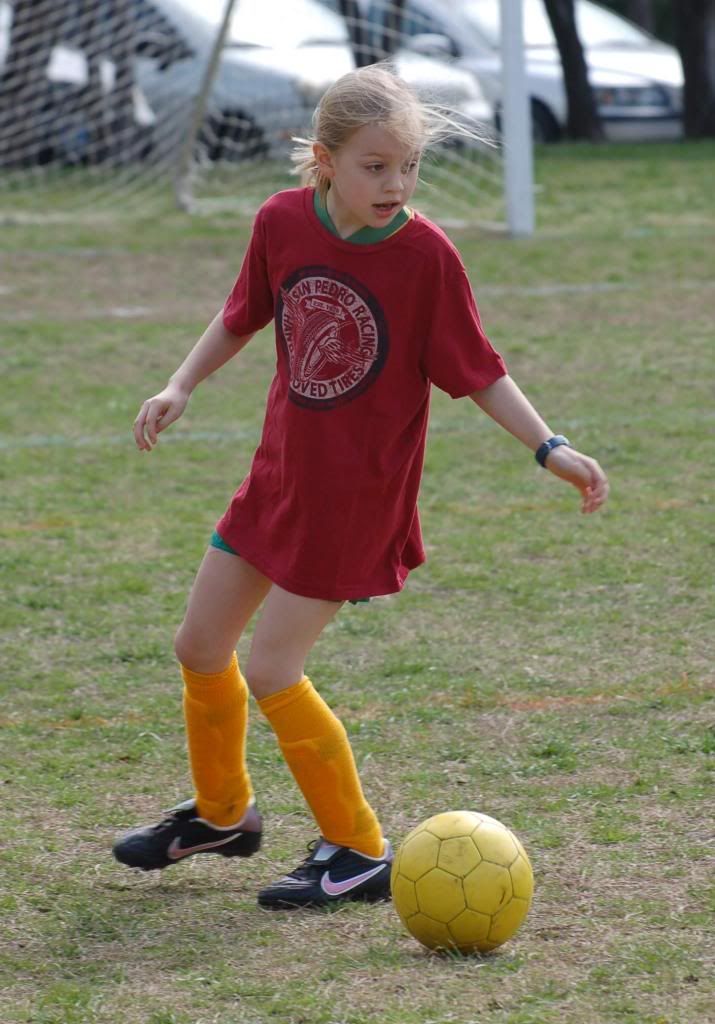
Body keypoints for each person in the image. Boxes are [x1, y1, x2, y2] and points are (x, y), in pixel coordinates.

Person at [112, 65, 608, 908]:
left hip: (356, 501)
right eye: (375, 166)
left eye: (407, 165)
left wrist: (547, 445)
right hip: (278, 480)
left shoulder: (424, 256)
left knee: (272, 667)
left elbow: (479, 371)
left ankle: (359, 848)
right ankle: (225, 815)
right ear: (326, 161)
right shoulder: (280, 221)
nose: (396, 183)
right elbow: (243, 310)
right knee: (199, 647)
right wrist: (180, 383)